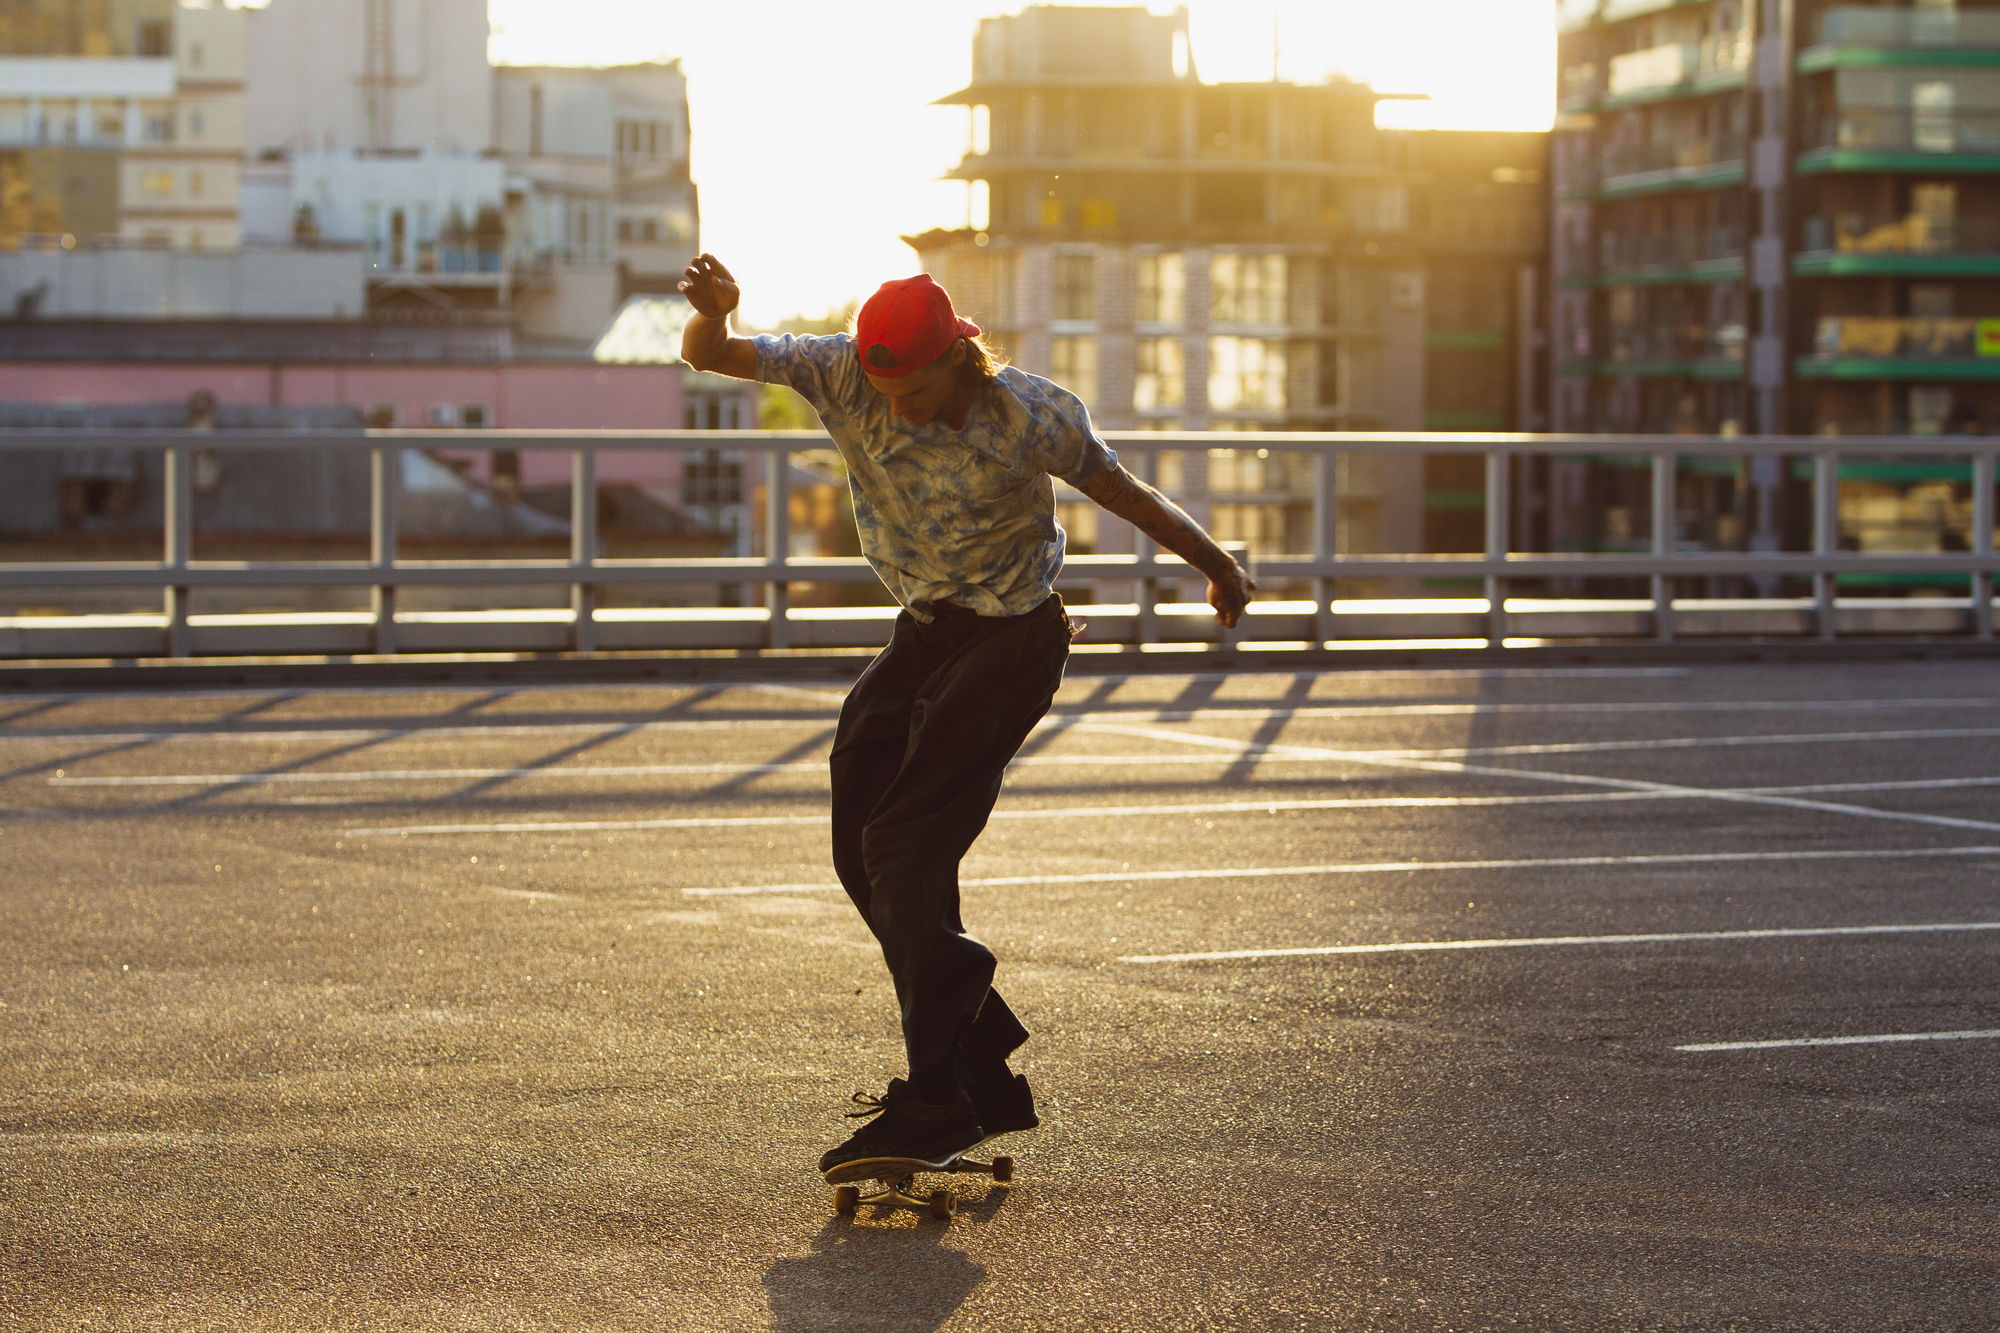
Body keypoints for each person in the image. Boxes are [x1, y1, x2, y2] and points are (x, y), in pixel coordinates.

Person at [677, 253, 1255, 1175]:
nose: (892, 408)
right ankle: (977, 1056)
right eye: (882, 388)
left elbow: (1120, 491)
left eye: (911, 390)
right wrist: (714, 315)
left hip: (1012, 640)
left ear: (959, 357)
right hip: (923, 632)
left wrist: (1216, 562)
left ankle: (938, 1097)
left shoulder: (1029, 412)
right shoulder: (840, 369)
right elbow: (712, 355)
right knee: (858, 840)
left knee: (906, 847)